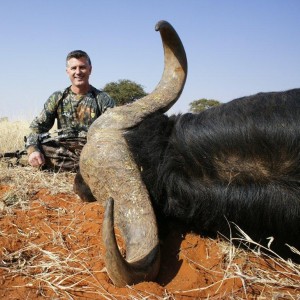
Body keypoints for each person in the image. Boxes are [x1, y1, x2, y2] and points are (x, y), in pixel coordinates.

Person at [25, 50, 115, 172]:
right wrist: (33, 151)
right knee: (41, 147)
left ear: (90, 69)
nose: (78, 72)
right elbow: (37, 128)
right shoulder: (57, 97)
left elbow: (113, 132)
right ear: (68, 71)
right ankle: (82, 167)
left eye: (82, 67)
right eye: (73, 68)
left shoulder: (103, 99)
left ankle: (76, 166)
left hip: (92, 151)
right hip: (62, 152)